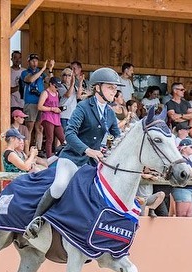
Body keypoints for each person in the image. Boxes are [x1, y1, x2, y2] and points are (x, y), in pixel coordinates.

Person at [24, 67, 123, 239]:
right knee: (60, 185)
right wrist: (87, 150)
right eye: (110, 87)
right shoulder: (83, 107)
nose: (114, 92)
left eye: (115, 88)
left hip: (92, 163)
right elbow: (69, 133)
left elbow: (117, 136)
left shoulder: (109, 113)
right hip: (72, 158)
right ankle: (36, 221)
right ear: (97, 87)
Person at [21, 54, 53, 149]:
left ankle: (38, 150)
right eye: (32, 61)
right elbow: (30, 80)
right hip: (30, 103)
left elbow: (51, 81)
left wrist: (50, 69)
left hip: (40, 103)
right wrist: (43, 70)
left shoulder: (41, 73)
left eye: (36, 61)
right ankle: (26, 150)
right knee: (29, 128)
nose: (34, 63)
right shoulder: (25, 72)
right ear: (29, 62)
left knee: (39, 128)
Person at [37, 76, 66, 158]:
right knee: (50, 139)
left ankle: (62, 156)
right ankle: (49, 158)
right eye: (55, 86)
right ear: (50, 84)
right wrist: (52, 109)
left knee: (63, 139)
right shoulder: (45, 93)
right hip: (48, 117)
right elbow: (39, 107)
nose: (57, 88)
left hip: (56, 118)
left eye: (58, 87)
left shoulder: (56, 93)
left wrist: (59, 109)